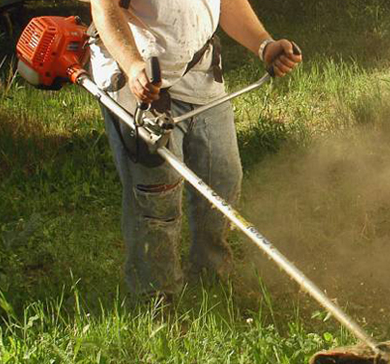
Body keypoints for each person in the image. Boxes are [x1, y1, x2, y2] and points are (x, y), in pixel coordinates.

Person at [87, 0, 301, 299]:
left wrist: (264, 45)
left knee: (222, 180)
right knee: (156, 201)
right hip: (139, 80)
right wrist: (133, 65)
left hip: (199, 75)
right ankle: (157, 301)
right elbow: (104, 7)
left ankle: (211, 277)